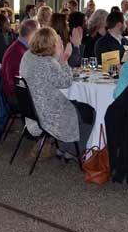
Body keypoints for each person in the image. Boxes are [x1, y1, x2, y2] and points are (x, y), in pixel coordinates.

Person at [19, 27, 93, 159]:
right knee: (88, 111)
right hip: (47, 113)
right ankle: (71, 150)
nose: (60, 42)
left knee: (80, 108)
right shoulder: (47, 63)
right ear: (51, 44)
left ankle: (63, 146)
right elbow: (66, 81)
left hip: (32, 110)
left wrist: (59, 58)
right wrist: (64, 58)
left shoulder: (28, 56)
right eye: (57, 41)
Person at [1, 20, 39, 110]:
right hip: (16, 97)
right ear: (33, 33)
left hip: (17, 92)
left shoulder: (20, 47)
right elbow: (19, 83)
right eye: (38, 32)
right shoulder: (18, 52)